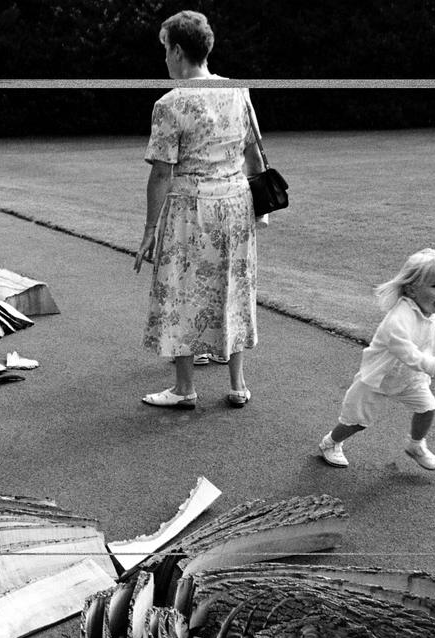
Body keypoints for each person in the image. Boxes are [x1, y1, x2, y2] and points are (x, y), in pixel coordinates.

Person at [134, 10, 267, 411]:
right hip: (235, 205)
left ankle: (184, 388)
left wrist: (147, 231)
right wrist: (259, 210)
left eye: (165, 50)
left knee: (181, 291)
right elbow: (254, 154)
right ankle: (237, 383)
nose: (164, 59)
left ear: (178, 51)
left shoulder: (170, 103)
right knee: (234, 286)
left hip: (191, 209)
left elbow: (161, 173)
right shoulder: (237, 91)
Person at [319, 248, 435, 470]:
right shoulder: (399, 318)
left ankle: (416, 445)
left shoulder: (434, 310)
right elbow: (404, 350)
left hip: (408, 377)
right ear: (412, 289)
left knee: (428, 408)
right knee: (357, 421)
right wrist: (431, 363)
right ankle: (330, 443)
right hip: (379, 377)